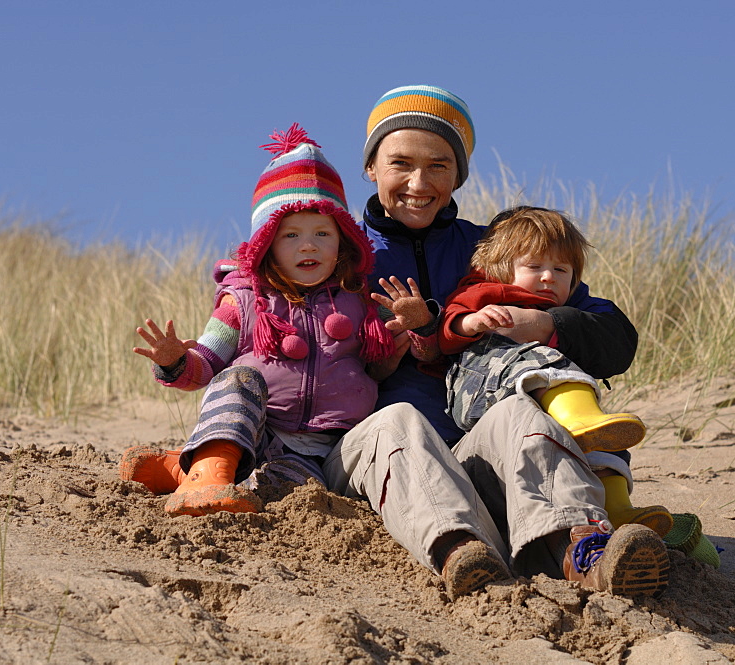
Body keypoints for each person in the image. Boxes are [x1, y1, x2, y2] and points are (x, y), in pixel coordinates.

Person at [322, 84, 670, 600]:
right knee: (400, 420)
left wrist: (546, 326)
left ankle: (587, 552)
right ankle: (460, 553)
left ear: (459, 174)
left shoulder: (496, 252)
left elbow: (614, 337)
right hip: (373, 463)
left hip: (475, 459)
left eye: (439, 165)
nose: (419, 182)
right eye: (400, 163)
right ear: (371, 166)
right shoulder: (332, 248)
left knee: (517, 414)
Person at [120, 124, 406, 517]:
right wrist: (174, 361)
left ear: (343, 240)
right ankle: (207, 475)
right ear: (266, 245)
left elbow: (387, 360)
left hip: (318, 447)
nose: (308, 244)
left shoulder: (360, 301)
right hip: (251, 429)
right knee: (240, 379)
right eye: (291, 236)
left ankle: (181, 470)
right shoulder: (244, 301)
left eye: (323, 232)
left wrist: (408, 330)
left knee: (288, 489)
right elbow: (204, 366)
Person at [437, 206, 672, 536]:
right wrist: (471, 322)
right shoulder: (487, 290)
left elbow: (617, 336)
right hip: (480, 389)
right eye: (534, 266)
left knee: (603, 447)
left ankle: (619, 509)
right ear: (500, 271)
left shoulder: (570, 308)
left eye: (561, 270)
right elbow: (449, 324)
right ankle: (579, 419)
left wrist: (550, 324)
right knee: (543, 361)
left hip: (540, 400)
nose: (548, 276)